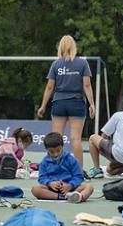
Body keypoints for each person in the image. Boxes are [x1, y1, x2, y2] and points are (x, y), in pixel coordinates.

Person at [36, 35, 96, 167]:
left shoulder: (56, 64)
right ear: (74, 47)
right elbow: (87, 85)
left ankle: (54, 167)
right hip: (77, 102)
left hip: (59, 102)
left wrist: (43, 106)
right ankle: (79, 170)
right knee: (75, 138)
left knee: (56, 139)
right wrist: (92, 104)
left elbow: (50, 87)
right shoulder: (82, 63)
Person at [31, 132, 93, 202]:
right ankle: (61, 197)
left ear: (63, 146)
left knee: (89, 187)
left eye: (58, 150)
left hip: (71, 189)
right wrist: (49, 183)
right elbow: (42, 178)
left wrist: (70, 185)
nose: (56, 154)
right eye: (52, 152)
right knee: (35, 189)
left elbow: (78, 177)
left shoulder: (72, 160)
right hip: (52, 190)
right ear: (46, 150)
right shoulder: (44, 162)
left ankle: (79, 197)